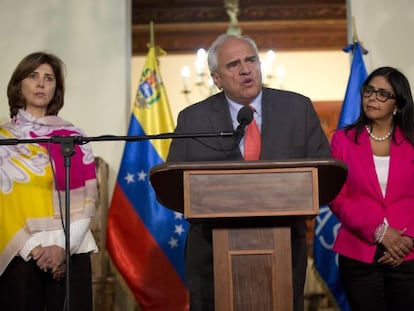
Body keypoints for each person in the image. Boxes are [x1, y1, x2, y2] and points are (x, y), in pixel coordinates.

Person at [166, 33, 330, 311]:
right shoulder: (193, 118)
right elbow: (172, 185)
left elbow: (323, 173)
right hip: (211, 254)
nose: (245, 69)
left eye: (251, 59)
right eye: (233, 65)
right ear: (217, 78)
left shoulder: (297, 109)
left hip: (284, 249)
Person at [0, 52, 98, 311]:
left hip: (71, 250)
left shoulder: (73, 137)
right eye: (33, 76)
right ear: (19, 84)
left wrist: (62, 247)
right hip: (20, 252)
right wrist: (35, 249)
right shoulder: (2, 139)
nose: (41, 84)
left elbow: (87, 201)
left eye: (49, 78)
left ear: (57, 89)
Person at [328, 66, 414, 311]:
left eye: (383, 94)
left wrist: (408, 238)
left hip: (408, 252)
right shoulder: (342, 140)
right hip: (358, 254)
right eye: (369, 91)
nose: (373, 97)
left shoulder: (412, 141)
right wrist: (379, 231)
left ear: (398, 104)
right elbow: (336, 196)